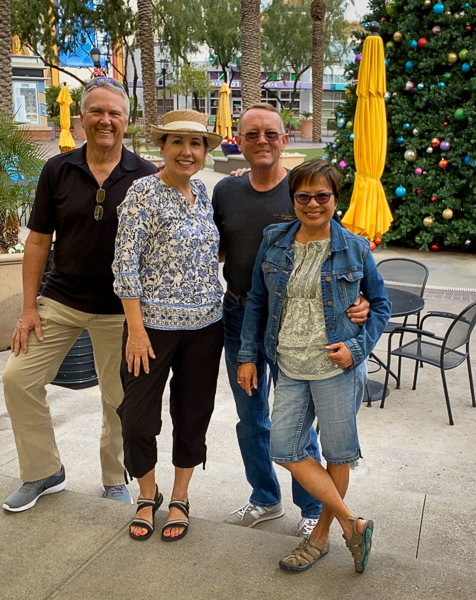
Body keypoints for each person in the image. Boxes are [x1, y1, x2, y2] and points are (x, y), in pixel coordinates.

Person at [212, 103, 369, 536]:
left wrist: (360, 300)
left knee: (298, 423)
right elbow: (217, 245)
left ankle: (312, 508)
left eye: (270, 134)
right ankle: (265, 497)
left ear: (285, 140)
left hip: (298, 325)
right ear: (238, 141)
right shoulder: (225, 190)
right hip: (240, 316)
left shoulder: (304, 189)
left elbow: (342, 250)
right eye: (251, 134)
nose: (261, 141)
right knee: (251, 417)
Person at [1, 77, 158, 512]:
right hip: (61, 299)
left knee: (119, 398)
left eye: (114, 113)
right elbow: (38, 241)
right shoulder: (58, 169)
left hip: (120, 309)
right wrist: (28, 308)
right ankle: (43, 471)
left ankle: (115, 478)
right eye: (97, 112)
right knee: (18, 379)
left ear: (126, 120)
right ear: (81, 118)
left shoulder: (146, 177)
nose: (106, 120)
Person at [237, 159, 391, 573]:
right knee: (284, 448)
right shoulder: (274, 239)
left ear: (335, 199)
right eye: (303, 196)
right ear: (293, 199)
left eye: (322, 195)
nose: (312, 204)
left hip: (336, 368)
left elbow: (380, 305)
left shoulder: (355, 247)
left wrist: (357, 349)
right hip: (288, 363)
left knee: (337, 455)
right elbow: (257, 300)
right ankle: (352, 523)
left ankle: (320, 538)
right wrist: (248, 355)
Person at [112, 110, 223, 542]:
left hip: (206, 327)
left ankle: (180, 496)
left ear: (205, 151)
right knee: (137, 418)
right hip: (151, 329)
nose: (187, 152)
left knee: (192, 414)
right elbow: (124, 265)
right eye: (177, 142)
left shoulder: (203, 193)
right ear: (162, 146)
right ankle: (147, 493)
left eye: (196, 144)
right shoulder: (142, 193)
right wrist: (136, 330)